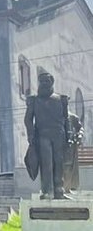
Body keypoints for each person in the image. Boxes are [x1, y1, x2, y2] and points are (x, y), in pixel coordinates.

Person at [24, 72, 71, 200]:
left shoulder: (61, 99)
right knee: (46, 164)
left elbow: (66, 119)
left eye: (47, 81)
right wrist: (31, 135)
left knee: (59, 163)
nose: (44, 84)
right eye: (42, 81)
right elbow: (28, 119)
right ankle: (47, 191)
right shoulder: (34, 100)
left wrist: (69, 135)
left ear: (52, 83)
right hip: (43, 135)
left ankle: (59, 190)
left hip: (59, 135)